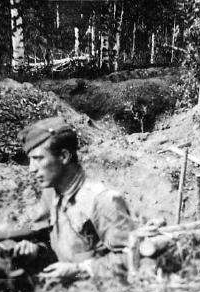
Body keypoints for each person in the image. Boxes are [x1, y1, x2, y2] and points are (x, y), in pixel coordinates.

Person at [14, 117, 135, 282]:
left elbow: (132, 259)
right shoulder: (52, 196)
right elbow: (61, 252)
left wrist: (80, 270)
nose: (31, 169)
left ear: (64, 156)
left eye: (38, 159)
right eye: (30, 160)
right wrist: (37, 251)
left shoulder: (100, 200)